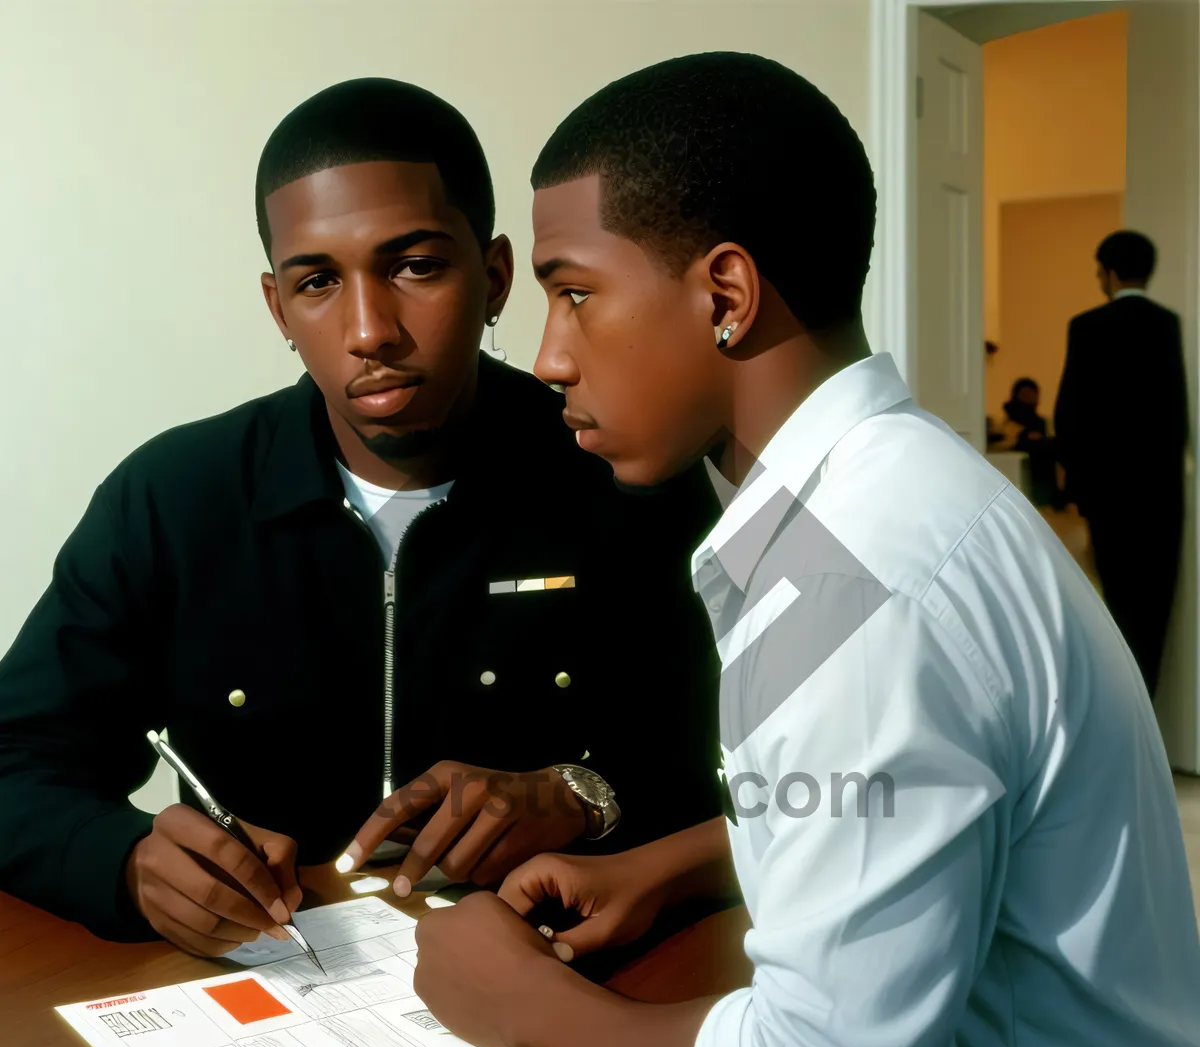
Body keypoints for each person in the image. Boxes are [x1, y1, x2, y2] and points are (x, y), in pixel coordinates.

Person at [396, 53, 1200, 1047]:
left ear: (724, 295)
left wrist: (522, 1002)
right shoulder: (899, 493)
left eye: (574, 292)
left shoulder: (850, 587)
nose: (548, 356)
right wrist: (667, 872)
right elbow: (944, 810)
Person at [0, 78, 726, 959]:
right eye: (316, 282)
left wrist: (579, 795)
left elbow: (745, 776)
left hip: (554, 980)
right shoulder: (172, 497)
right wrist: (122, 861)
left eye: (415, 266)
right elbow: (16, 765)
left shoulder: (625, 474)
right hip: (265, 1009)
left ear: (494, 277)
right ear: (278, 308)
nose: (369, 329)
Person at [1055, 230, 1189, 696]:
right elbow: (1177, 416)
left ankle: (1119, 722)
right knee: (1154, 614)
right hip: (1162, 496)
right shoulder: (1166, 324)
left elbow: (1069, 414)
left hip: (1109, 497)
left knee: (1114, 612)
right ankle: (1146, 713)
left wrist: (1075, 493)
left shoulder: (1087, 326)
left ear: (1109, 272)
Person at [998, 377, 1062, 508]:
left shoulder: (1043, 422)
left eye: (1032, 394)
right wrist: (1024, 436)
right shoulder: (1006, 423)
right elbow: (1005, 442)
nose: (1029, 398)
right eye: (1025, 394)